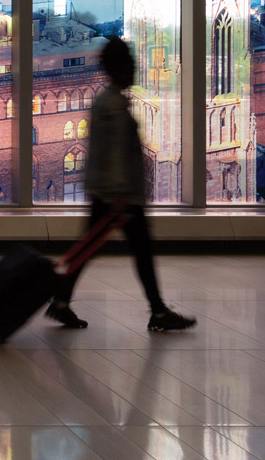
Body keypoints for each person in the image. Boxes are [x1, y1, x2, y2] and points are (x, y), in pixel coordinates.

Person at [46, 36, 196, 333]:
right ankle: (157, 311)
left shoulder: (107, 100)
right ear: (120, 68)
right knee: (138, 251)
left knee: (88, 250)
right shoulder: (112, 105)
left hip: (110, 192)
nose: (134, 71)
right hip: (119, 196)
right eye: (130, 66)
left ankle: (61, 303)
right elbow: (113, 152)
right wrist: (120, 195)